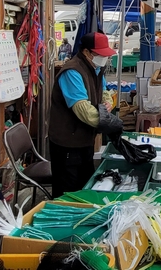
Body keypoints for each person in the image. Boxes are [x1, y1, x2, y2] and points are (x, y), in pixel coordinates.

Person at [49, 32, 119, 197]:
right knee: (68, 191)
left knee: (84, 184)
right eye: (100, 55)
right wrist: (108, 124)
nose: (104, 58)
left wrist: (108, 101)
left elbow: (103, 91)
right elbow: (83, 110)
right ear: (87, 52)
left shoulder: (96, 69)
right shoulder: (72, 72)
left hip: (84, 139)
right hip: (68, 142)